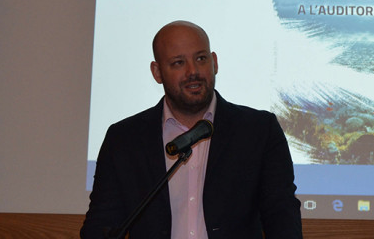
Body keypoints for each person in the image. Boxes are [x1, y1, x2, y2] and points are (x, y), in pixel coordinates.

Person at [80, 21, 303, 239]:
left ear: (214, 62)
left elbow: (281, 216)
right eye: (178, 63)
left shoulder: (259, 131)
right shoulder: (124, 139)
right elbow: (101, 224)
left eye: (201, 58)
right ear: (157, 72)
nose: (193, 71)